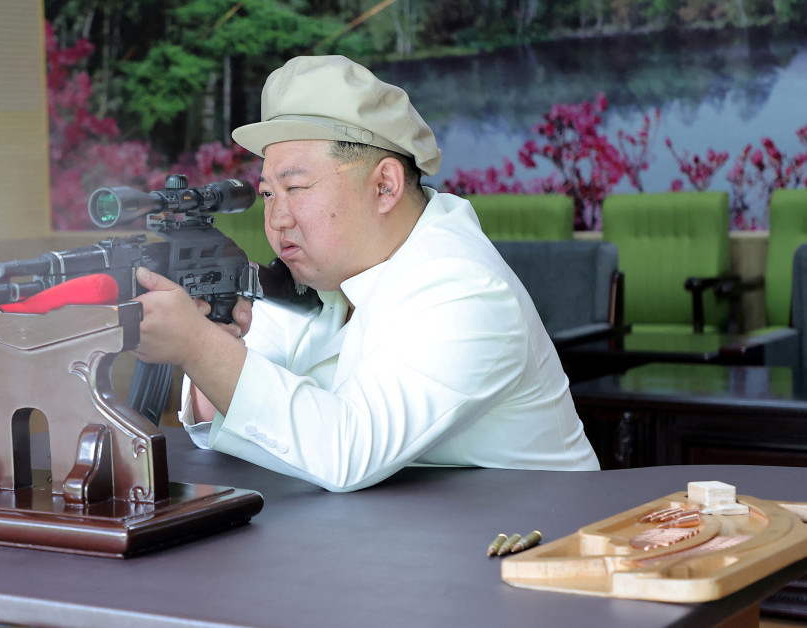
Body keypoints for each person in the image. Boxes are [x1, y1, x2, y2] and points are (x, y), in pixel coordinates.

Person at [131, 55, 599, 492]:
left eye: (297, 187)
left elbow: (347, 450)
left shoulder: (465, 289)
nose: (278, 219)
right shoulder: (315, 275)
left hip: (530, 552)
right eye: (270, 194)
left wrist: (196, 345)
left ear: (384, 186)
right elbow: (239, 414)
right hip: (393, 548)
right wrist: (215, 340)